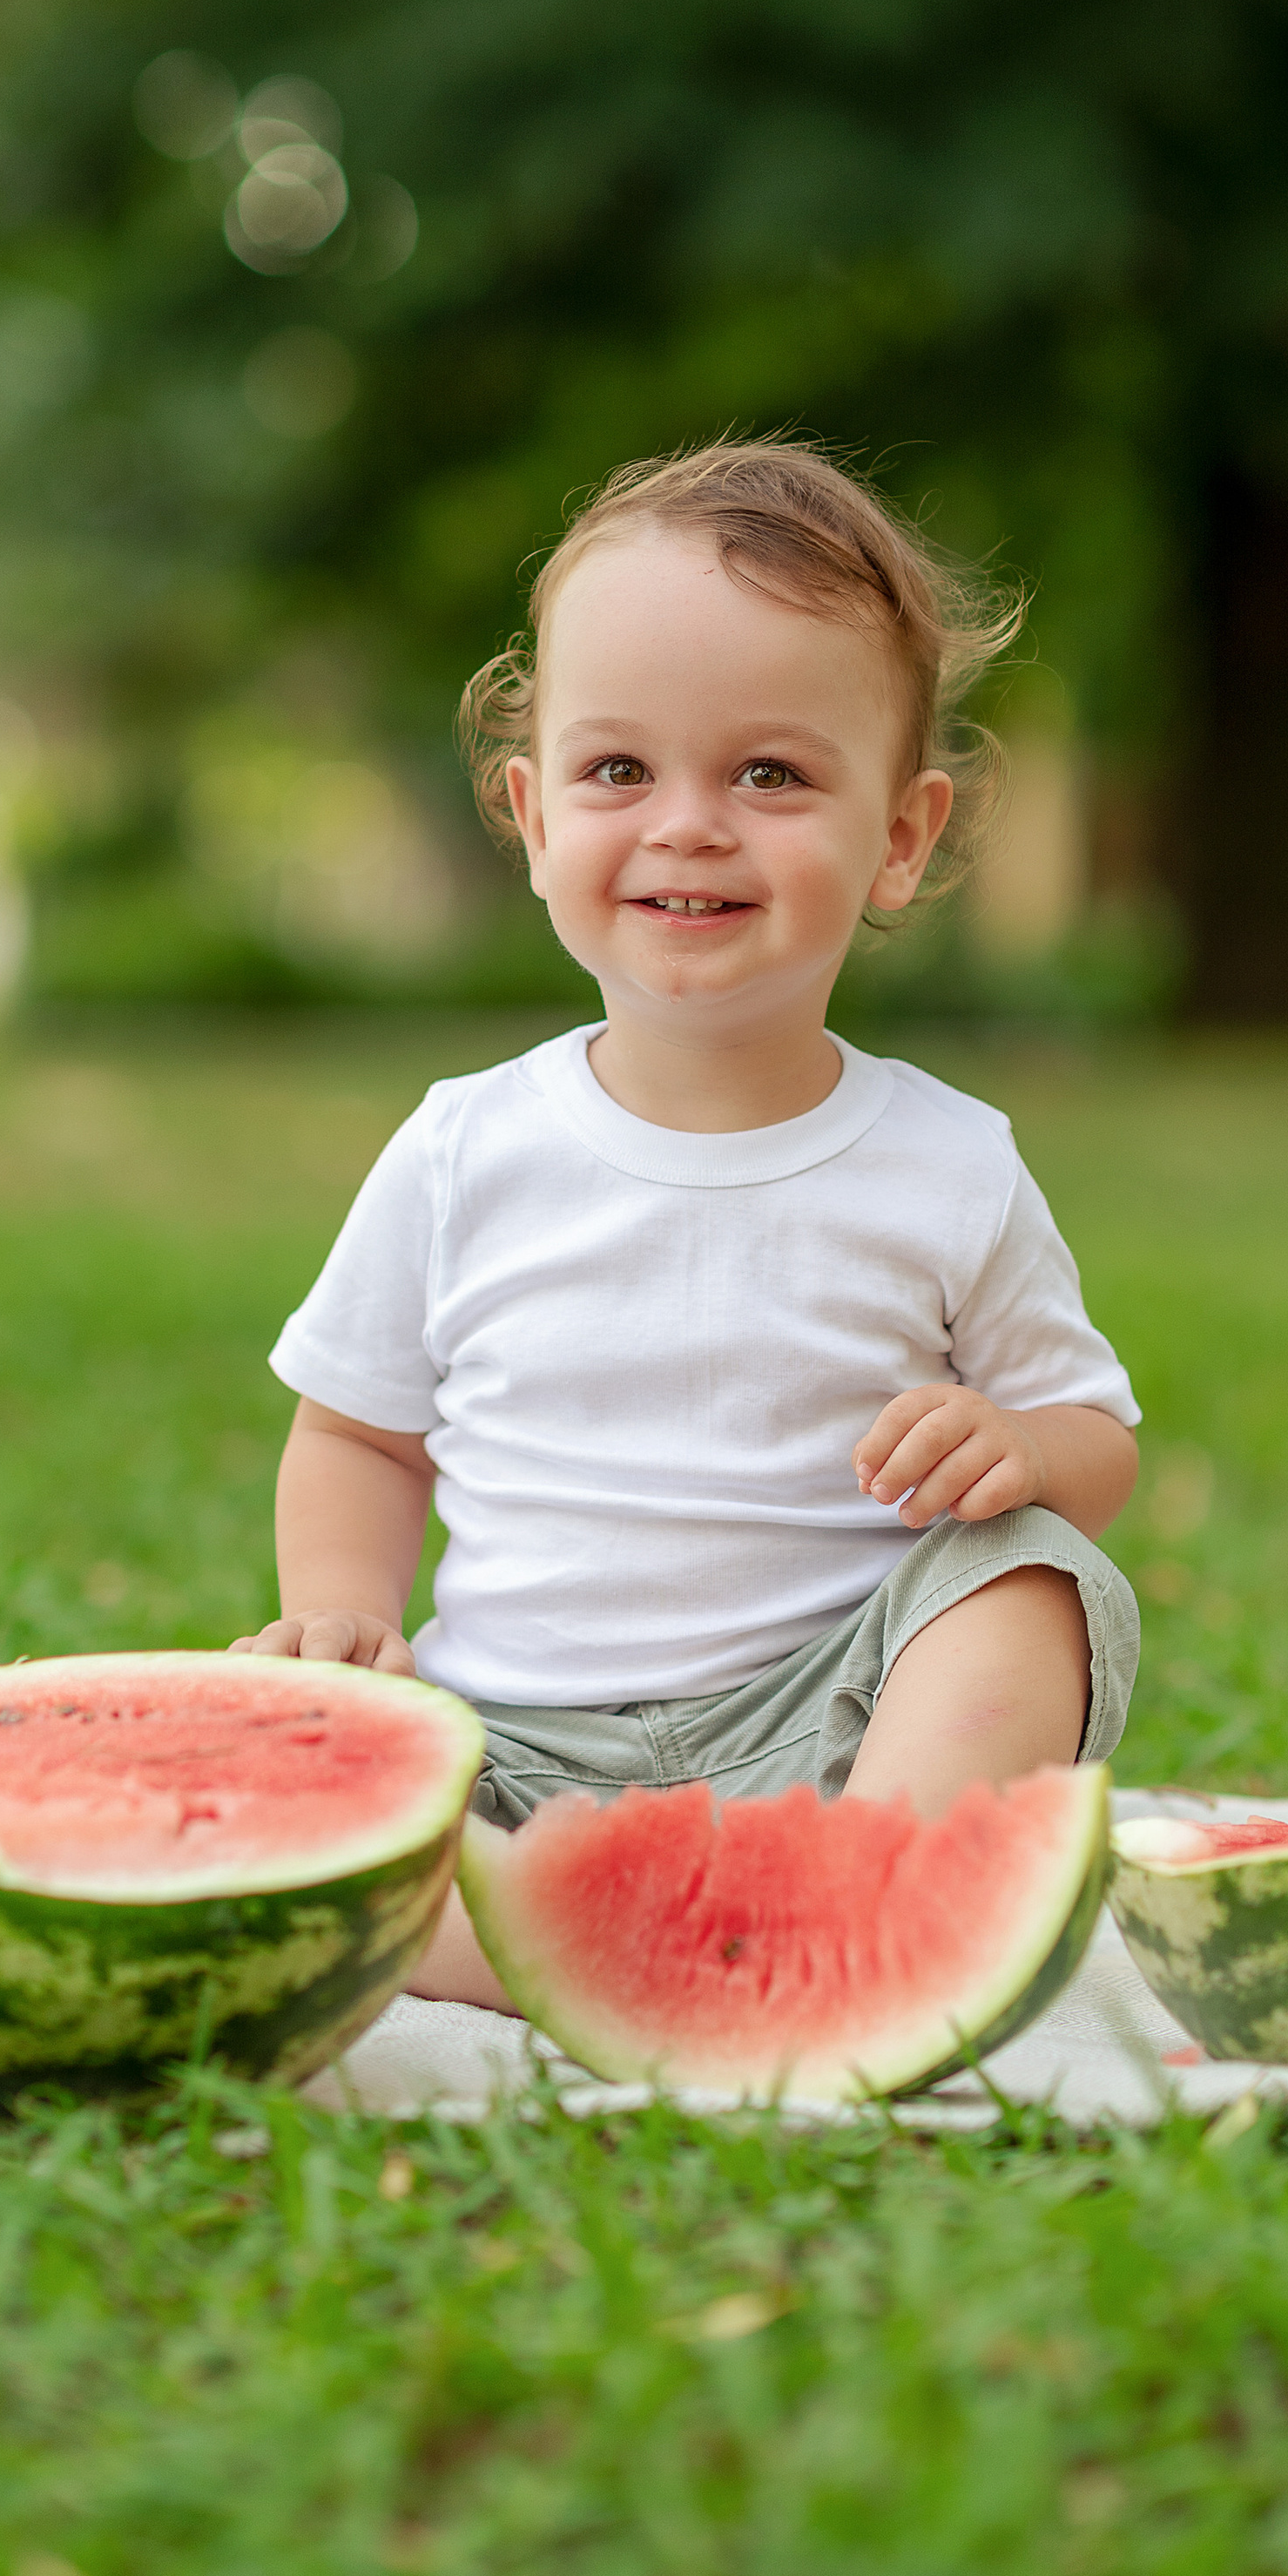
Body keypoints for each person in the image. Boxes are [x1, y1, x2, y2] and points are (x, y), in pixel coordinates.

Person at [239, 439, 1141, 2009]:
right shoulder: (467, 1150)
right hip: (511, 1748)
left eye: (772, 774)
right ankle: (526, 1935)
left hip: (841, 1731)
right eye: (617, 771)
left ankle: (867, 1909)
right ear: (530, 818)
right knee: (288, 1768)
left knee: (1036, 1582)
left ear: (905, 838)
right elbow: (360, 1436)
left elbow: (1097, 1440)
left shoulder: (950, 1162)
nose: (689, 826)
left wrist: (1022, 1450)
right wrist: (344, 1615)